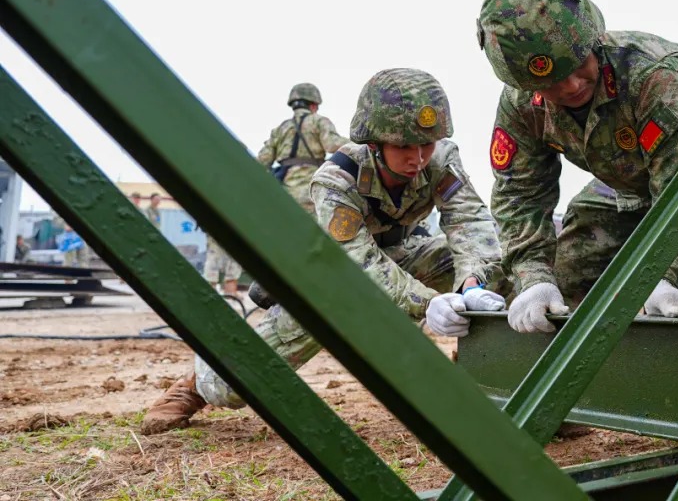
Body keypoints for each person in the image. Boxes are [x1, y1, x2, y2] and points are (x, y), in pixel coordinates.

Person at [141, 69, 506, 434]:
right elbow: (359, 262)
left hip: (404, 256)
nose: (419, 158)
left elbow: (470, 221)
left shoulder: (442, 157)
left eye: (426, 144)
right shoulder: (336, 178)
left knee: (500, 267)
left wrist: (470, 285)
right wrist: (428, 303)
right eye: (405, 147)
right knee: (232, 385)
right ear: (375, 144)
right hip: (333, 278)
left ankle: (487, 372)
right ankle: (193, 385)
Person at [476, 0, 678, 333]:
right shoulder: (521, 104)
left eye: (579, 64)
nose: (572, 85)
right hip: (639, 182)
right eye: (552, 82)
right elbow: (520, 195)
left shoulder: (651, 76)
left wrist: (663, 273)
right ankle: (586, 355)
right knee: (580, 234)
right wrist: (534, 279)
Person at [257, 83, 348, 215]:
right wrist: (359, 144)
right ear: (313, 105)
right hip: (311, 190)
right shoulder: (318, 121)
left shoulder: (280, 129)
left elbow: (262, 161)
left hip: (283, 192)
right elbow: (332, 145)